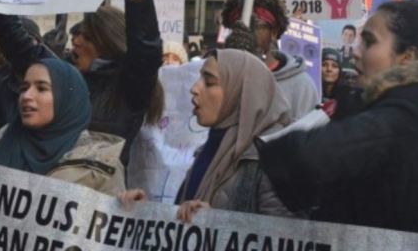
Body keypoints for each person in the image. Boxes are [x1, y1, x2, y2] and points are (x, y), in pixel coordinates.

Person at [260, 0, 418, 235]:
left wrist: (274, 154)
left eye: (369, 41)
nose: (356, 52)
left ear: (407, 57)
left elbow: (309, 158)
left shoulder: (411, 113)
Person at [0, 0, 163, 163]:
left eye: (87, 37)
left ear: (107, 42)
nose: (76, 42)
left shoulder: (127, 88)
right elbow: (17, 44)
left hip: (96, 183)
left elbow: (145, 47)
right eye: (77, 34)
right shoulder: (64, 75)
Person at [123, 49, 295, 220]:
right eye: (199, 79)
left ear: (240, 93)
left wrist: (216, 221)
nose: (195, 88)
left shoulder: (274, 160)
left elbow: (284, 234)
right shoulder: (209, 149)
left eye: (209, 82)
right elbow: (183, 222)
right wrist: (145, 211)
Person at [0, 58, 125, 195]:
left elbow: (112, 207)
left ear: (67, 99)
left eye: (41, 88)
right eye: (24, 88)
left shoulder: (101, 164)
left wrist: (127, 204)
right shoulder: (3, 137)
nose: (26, 96)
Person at [221, 0, 319, 121]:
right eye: (236, 27)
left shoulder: (301, 86)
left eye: (255, 26)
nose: (245, 32)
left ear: (273, 32)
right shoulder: (217, 79)